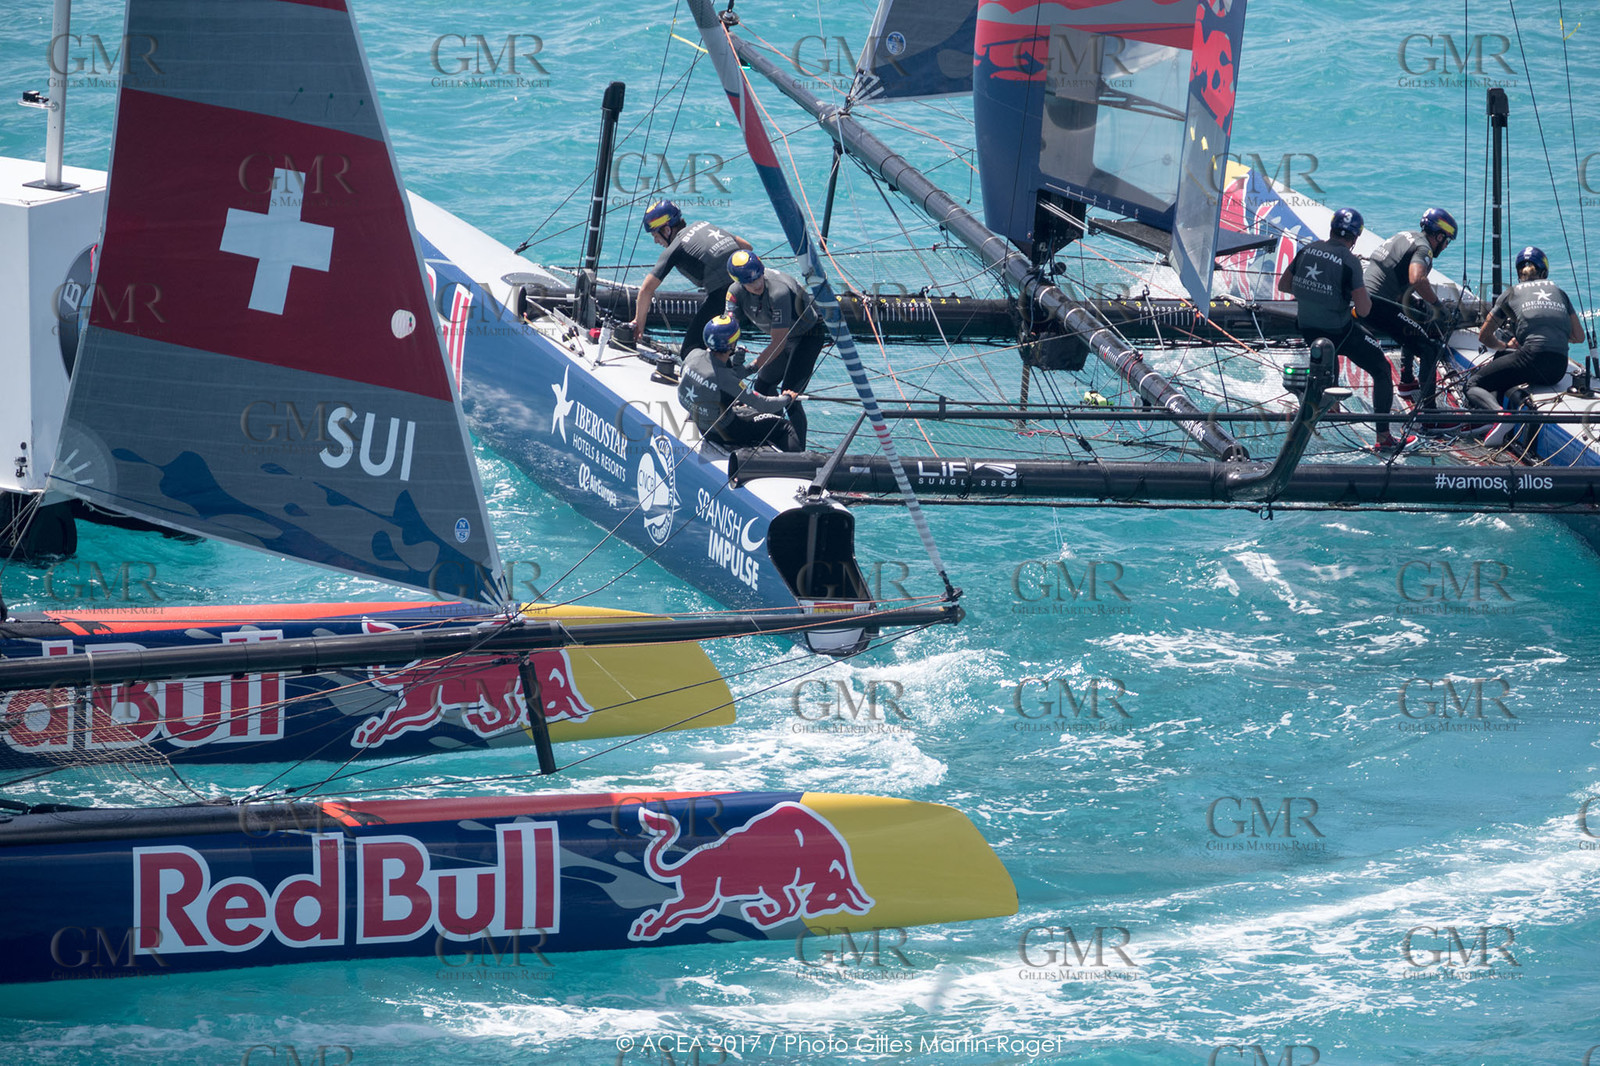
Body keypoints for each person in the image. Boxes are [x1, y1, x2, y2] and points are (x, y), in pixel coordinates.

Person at [1278, 208, 1415, 453]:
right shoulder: (1350, 262)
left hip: (1308, 330)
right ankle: (1384, 437)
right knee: (1382, 369)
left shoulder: (1307, 250)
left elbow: (1284, 285)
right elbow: (1363, 310)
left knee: (1330, 349)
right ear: (1355, 237)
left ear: (1332, 229)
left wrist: (1317, 294)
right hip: (1338, 331)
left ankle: (1331, 405)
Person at [1468, 246, 1586, 446]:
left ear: (1519, 272)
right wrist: (1552, 333)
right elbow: (1579, 336)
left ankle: (1499, 416)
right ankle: (1495, 420)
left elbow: (1484, 336)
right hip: (1557, 369)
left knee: (1473, 384)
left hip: (1531, 359)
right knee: (1505, 371)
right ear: (1544, 272)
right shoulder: (1559, 292)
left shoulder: (1511, 293)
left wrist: (1503, 345)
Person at [723, 250, 827, 449]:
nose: (757, 284)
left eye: (758, 277)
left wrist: (749, 368)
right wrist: (729, 363)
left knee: (790, 396)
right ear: (739, 282)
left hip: (807, 335)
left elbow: (778, 341)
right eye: (750, 282)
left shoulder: (778, 292)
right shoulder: (734, 293)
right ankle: (776, 434)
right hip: (786, 338)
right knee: (763, 386)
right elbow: (729, 330)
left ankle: (798, 453)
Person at [1361, 207, 1459, 412]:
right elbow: (1417, 279)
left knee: (1416, 316)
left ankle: (1407, 381)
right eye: (1447, 241)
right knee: (1429, 348)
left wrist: (1418, 303)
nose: (1445, 246)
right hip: (1378, 306)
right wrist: (1438, 306)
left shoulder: (1405, 236)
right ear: (1439, 236)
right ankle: (1429, 412)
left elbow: (1396, 278)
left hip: (1364, 297)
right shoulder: (1424, 249)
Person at [630, 199, 751, 364]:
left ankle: (719, 375)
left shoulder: (676, 247)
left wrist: (638, 325)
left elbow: (646, 289)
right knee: (720, 345)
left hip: (724, 294)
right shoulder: (703, 224)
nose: (656, 241)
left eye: (655, 235)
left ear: (667, 230)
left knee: (690, 349)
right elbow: (746, 246)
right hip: (748, 285)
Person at [677, 315, 803, 452]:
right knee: (785, 427)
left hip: (702, 425)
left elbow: (721, 379)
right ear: (732, 344)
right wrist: (787, 398)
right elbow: (764, 404)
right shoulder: (724, 378)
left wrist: (746, 367)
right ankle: (799, 463)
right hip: (725, 432)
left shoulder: (694, 354)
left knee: (747, 409)